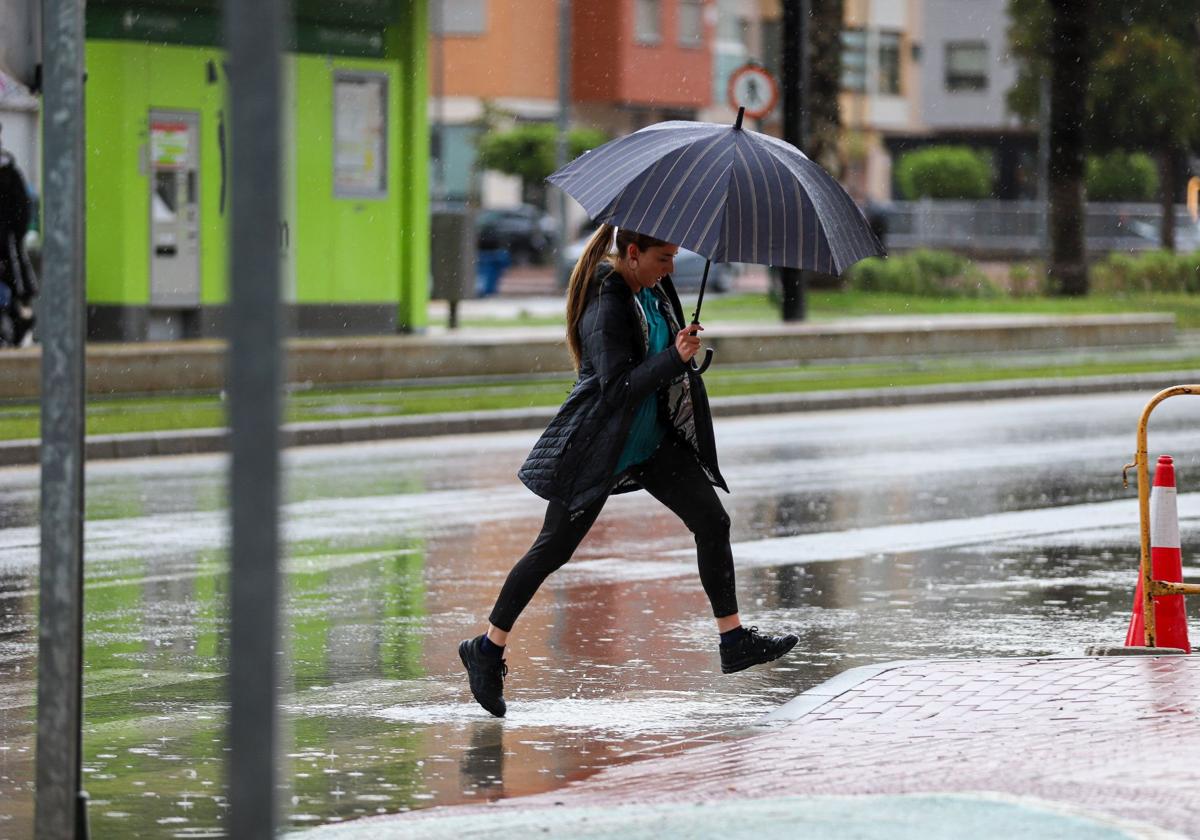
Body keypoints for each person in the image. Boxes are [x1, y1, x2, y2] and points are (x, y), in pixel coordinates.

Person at [459, 223, 798, 717]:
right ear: (633, 254)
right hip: (601, 445)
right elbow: (616, 388)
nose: (671, 267)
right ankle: (486, 650)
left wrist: (683, 352)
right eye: (664, 257)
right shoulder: (606, 303)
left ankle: (733, 640)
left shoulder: (655, 291)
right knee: (552, 549)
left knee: (712, 521)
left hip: (652, 441)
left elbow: (662, 360)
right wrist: (672, 359)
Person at [0, 126, 37, 347]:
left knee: (18, 293)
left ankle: (19, 330)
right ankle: (19, 329)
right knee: (19, 293)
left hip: (8, 248)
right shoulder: (11, 174)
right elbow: (22, 212)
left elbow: (22, 213)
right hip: (9, 248)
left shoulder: (11, 174)